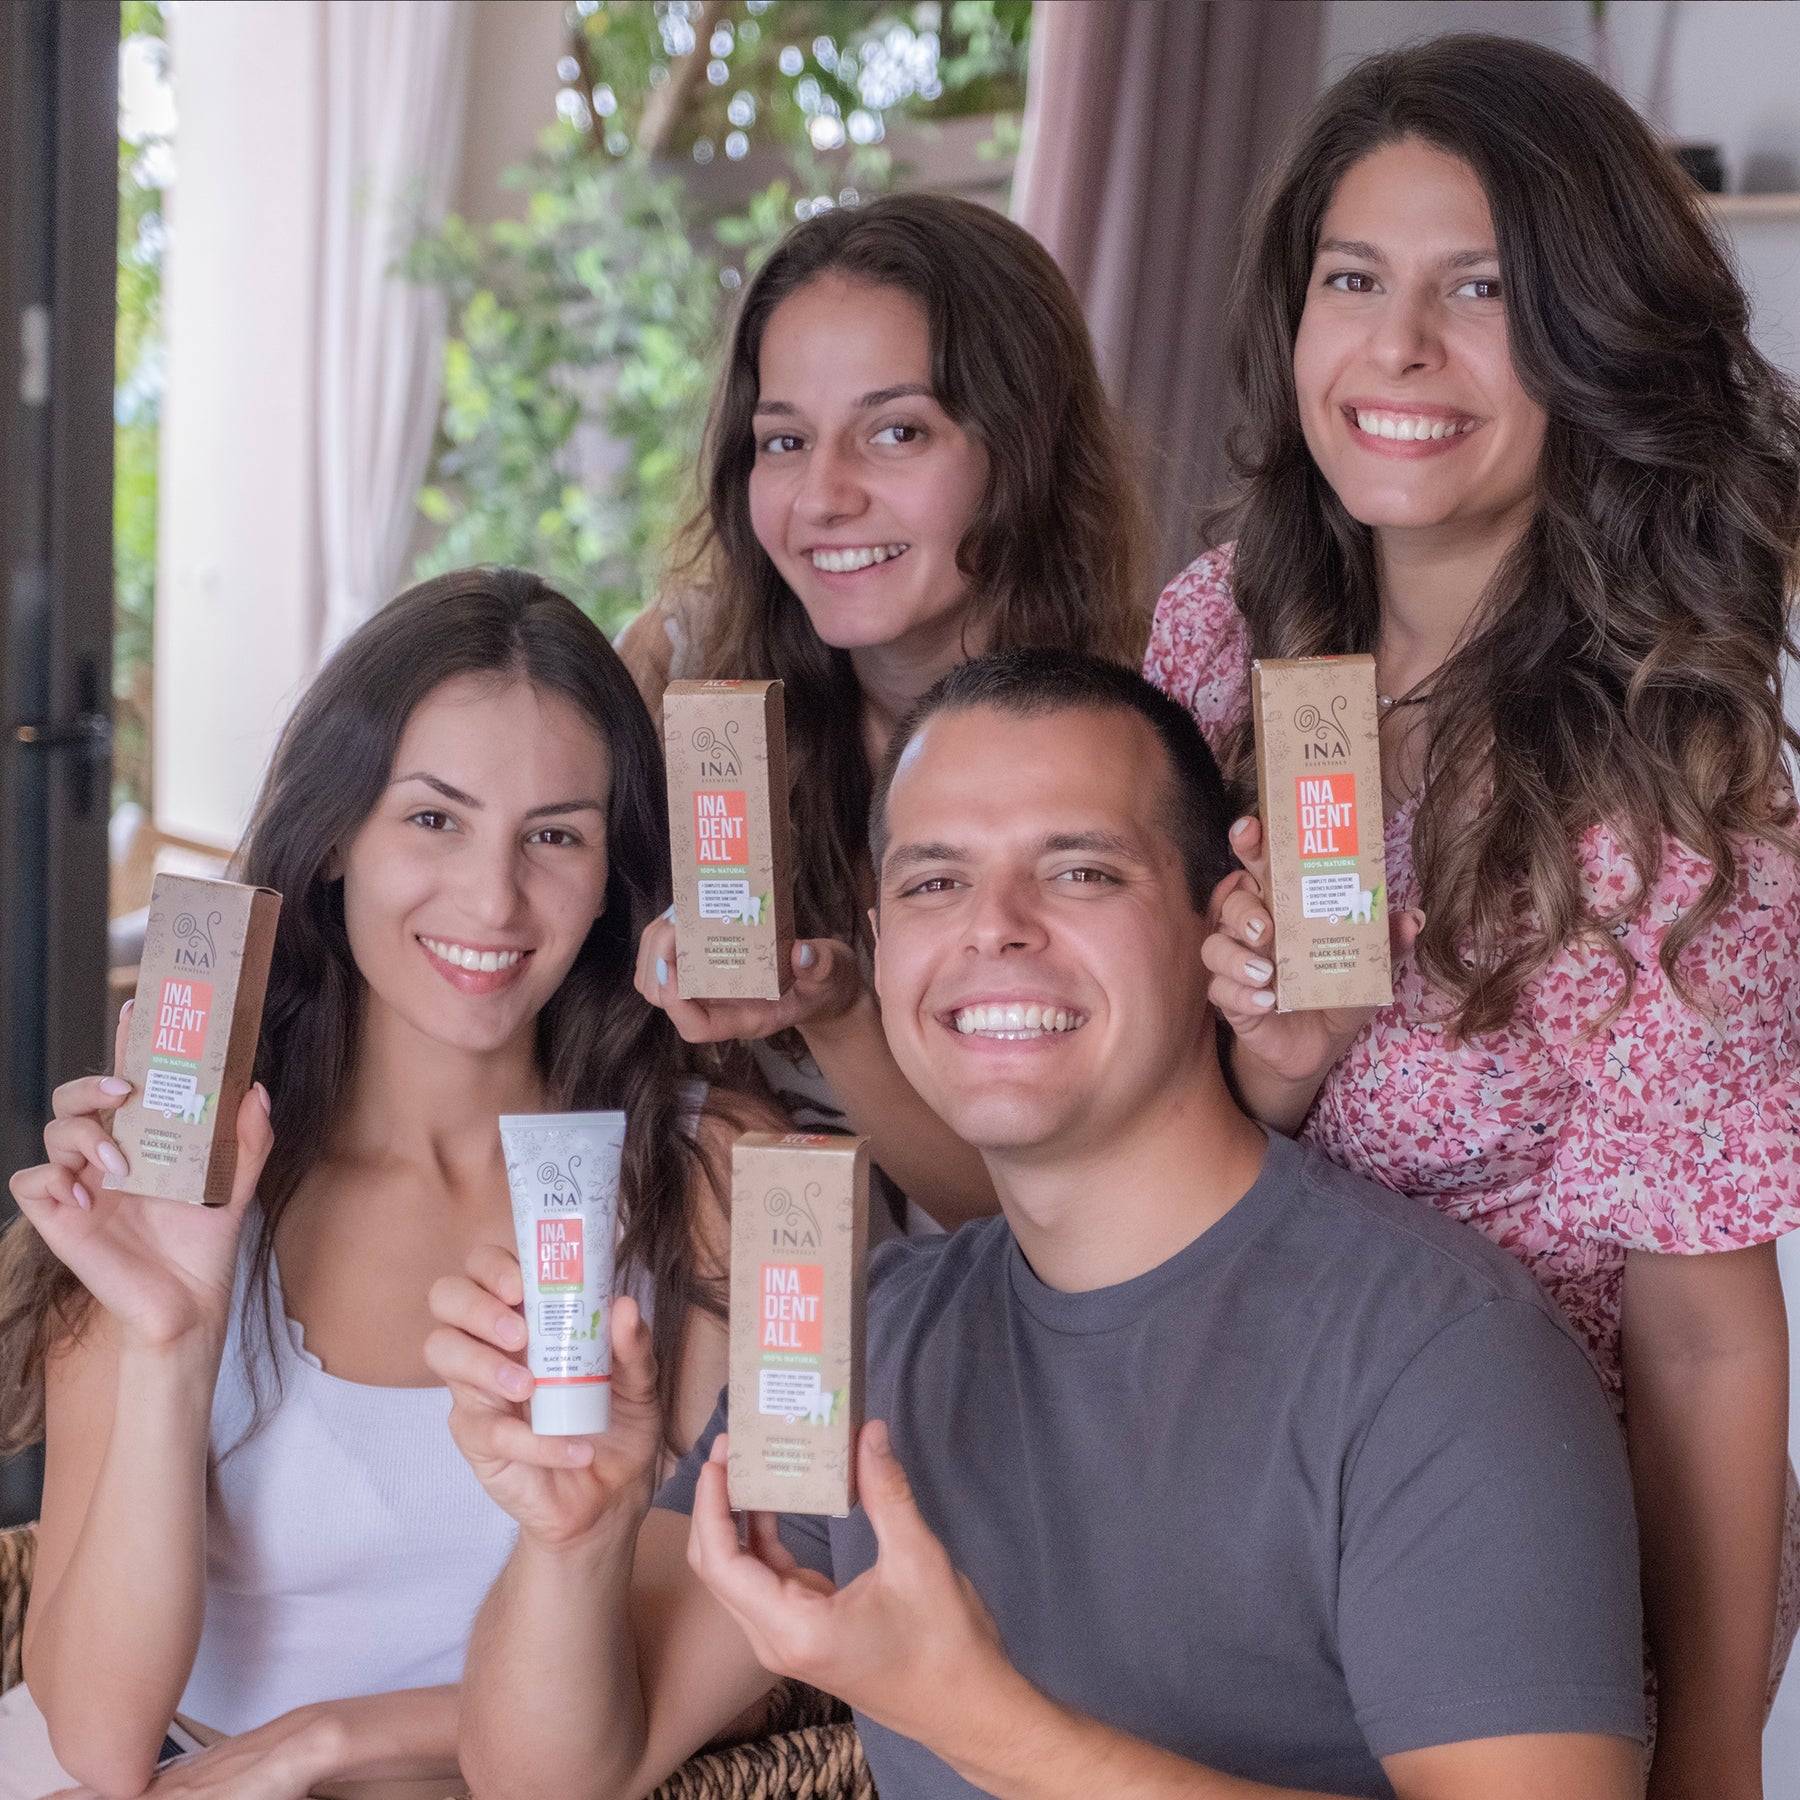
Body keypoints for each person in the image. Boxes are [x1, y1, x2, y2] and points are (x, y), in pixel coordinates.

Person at [429, 651, 1648, 1800]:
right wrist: (577, 1535)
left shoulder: (1439, 1355)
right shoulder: (866, 1335)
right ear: (878, 937)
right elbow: (558, 1776)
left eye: (1080, 872)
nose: (994, 926)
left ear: (1217, 923)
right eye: (935, 881)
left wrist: (985, 1725)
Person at [1144, 35, 1800, 1796]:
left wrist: (1720, 1752)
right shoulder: (1216, 636)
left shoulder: (1685, 783)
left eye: (1481, 289)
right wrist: (1273, 1082)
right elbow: (1136, 1131)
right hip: (1205, 1476)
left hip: (1496, 1550)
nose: (1401, 350)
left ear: (1591, 336)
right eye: (1355, 280)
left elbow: (1706, 1332)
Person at [0, 571, 770, 1798]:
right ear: (335, 839)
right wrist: (170, 1338)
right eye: (432, 819)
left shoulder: (712, 1179)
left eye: (556, 835)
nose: (491, 897)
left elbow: (722, 1645)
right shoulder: (180, 1171)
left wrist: (329, 1740)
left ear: (614, 871)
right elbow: (98, 1736)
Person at [622, 192, 1150, 1234]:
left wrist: (838, 1011)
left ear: (1022, 448)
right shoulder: (682, 678)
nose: (823, 495)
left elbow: (1029, 1214)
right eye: (783, 443)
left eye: (895, 432)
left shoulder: (1144, 737)